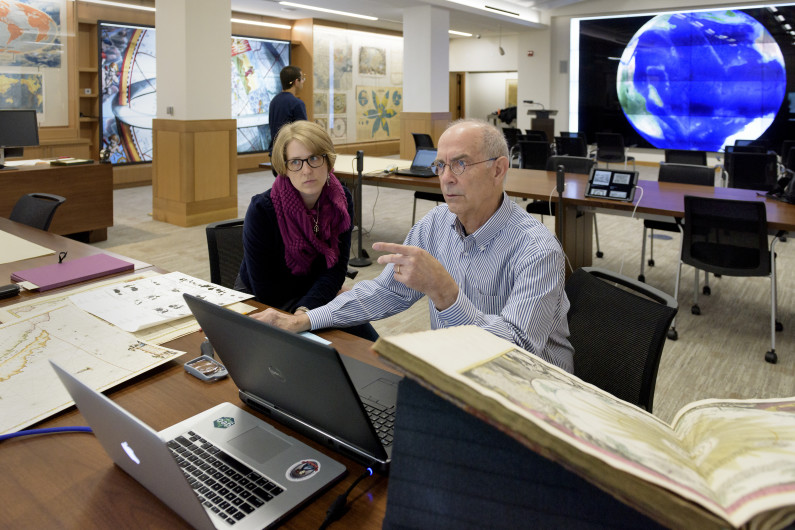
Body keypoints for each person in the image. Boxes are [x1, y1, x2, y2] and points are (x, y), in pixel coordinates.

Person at [254, 119, 574, 372]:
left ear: (498, 169)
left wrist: (446, 295)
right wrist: (304, 319)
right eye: (440, 166)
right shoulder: (435, 225)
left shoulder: (537, 249)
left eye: (460, 164)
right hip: (457, 374)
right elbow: (385, 291)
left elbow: (517, 352)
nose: (446, 178)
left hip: (531, 393)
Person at [236, 120, 377, 340]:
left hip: (314, 295)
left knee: (369, 346)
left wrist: (307, 310)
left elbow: (336, 270)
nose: (307, 170)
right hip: (263, 300)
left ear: (328, 160)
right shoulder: (262, 210)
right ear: (284, 167)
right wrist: (322, 299)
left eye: (314, 158)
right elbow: (266, 289)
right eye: (295, 162)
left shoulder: (341, 202)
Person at [267, 66, 307, 155]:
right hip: (290, 154)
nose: (303, 82)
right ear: (296, 82)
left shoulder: (274, 101)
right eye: (302, 79)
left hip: (275, 154)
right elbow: (303, 133)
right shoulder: (297, 103)